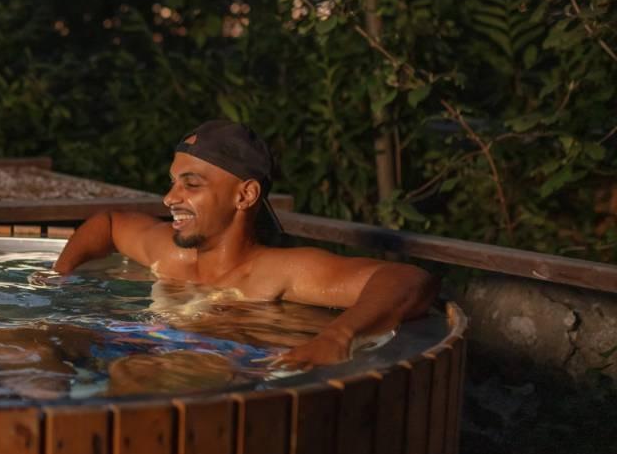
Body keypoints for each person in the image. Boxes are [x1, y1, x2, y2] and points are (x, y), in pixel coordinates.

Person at [51, 119, 439, 367]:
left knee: (147, 378)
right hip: (142, 347)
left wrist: (338, 335)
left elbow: (407, 278)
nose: (170, 198)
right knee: (25, 342)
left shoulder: (277, 272)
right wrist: (60, 274)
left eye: (191, 184)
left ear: (245, 195)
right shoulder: (169, 253)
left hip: (210, 373)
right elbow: (109, 223)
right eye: (172, 183)